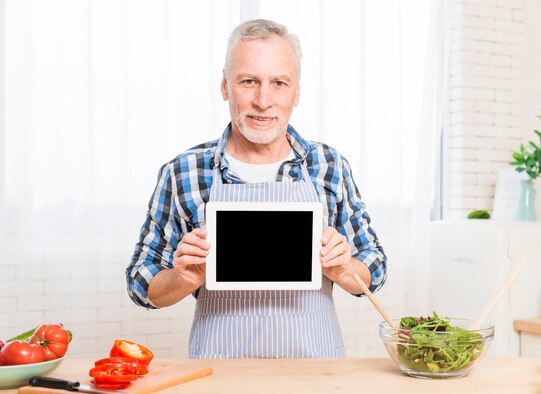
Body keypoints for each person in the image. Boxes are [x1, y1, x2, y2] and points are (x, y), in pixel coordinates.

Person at [126, 18, 387, 359]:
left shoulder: (328, 165)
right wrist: (184, 278)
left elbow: (375, 267)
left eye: (279, 82)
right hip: (219, 374)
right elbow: (140, 284)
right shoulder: (184, 171)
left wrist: (345, 269)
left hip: (317, 373)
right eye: (249, 81)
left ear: (296, 92)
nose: (263, 100)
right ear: (224, 86)